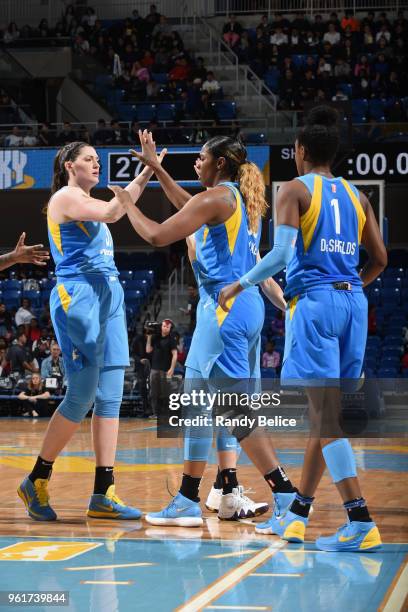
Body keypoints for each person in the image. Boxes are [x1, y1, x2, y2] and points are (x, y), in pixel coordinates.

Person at [219, 106, 387, 552]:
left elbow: (278, 257)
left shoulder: (293, 189)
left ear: (301, 151)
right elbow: (382, 260)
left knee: (324, 417)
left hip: (316, 304)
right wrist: (350, 287)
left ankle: (360, 518)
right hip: (354, 302)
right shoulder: (358, 196)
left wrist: (239, 283)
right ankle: (296, 515)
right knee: (323, 417)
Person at [123, 131, 297, 526]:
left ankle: (286, 494)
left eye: (201, 158)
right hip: (242, 309)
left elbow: (155, 234)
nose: (196, 164)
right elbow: (189, 207)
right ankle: (188, 498)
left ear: (220, 163)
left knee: (232, 412)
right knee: (201, 406)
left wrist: (126, 203)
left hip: (223, 311)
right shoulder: (236, 202)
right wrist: (156, 169)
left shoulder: (216, 199)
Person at [18, 139, 166, 522]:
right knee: (82, 395)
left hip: (109, 293)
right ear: (70, 166)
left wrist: (148, 171)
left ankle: (104, 491)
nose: (96, 165)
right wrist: (147, 171)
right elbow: (116, 211)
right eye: (89, 159)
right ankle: (37, 478)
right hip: (79, 294)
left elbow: (113, 212)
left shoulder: (90, 205)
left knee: (111, 396)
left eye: (98, 160)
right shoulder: (65, 198)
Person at [146, 319, 178, 418]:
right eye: (164, 326)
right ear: (161, 326)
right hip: (154, 369)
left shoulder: (171, 339)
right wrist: (149, 337)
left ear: (170, 328)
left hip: (165, 370)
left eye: (167, 327)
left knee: (165, 393)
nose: (165, 328)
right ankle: (155, 413)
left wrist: (172, 369)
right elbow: (148, 350)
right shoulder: (156, 337)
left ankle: (167, 414)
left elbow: (175, 354)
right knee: (153, 393)